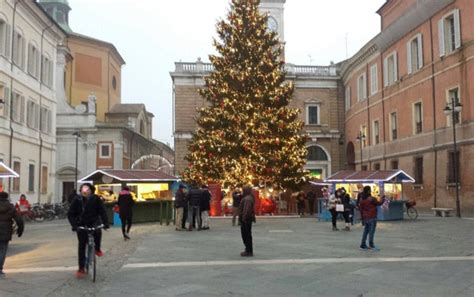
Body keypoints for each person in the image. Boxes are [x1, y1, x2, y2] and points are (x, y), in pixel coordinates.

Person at [68, 183, 109, 278]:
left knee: (98, 232)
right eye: (83, 190)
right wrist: (74, 225)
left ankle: (97, 249)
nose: (85, 192)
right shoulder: (77, 200)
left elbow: (102, 211)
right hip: (81, 224)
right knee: (82, 245)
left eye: (87, 190)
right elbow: (70, 213)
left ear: (91, 191)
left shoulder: (96, 199)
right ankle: (81, 268)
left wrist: (105, 223)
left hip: (94, 222)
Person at [0, 191, 24, 276]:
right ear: (7, 197)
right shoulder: (11, 207)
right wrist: (20, 230)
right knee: (3, 249)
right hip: (5, 231)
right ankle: (0, 268)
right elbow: (19, 220)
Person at [358, 185, 385, 251]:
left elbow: (361, 209)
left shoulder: (361, 199)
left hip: (365, 217)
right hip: (372, 216)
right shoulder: (372, 199)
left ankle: (363, 244)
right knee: (371, 231)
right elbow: (379, 203)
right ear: (369, 191)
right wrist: (383, 199)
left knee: (366, 231)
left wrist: (362, 218)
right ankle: (371, 244)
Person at [239, 186, 255, 257]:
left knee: (246, 235)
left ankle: (248, 251)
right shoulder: (249, 197)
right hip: (248, 219)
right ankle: (248, 249)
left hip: (246, 219)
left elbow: (246, 209)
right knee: (247, 235)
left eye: (243, 190)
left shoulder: (247, 199)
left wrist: (243, 218)